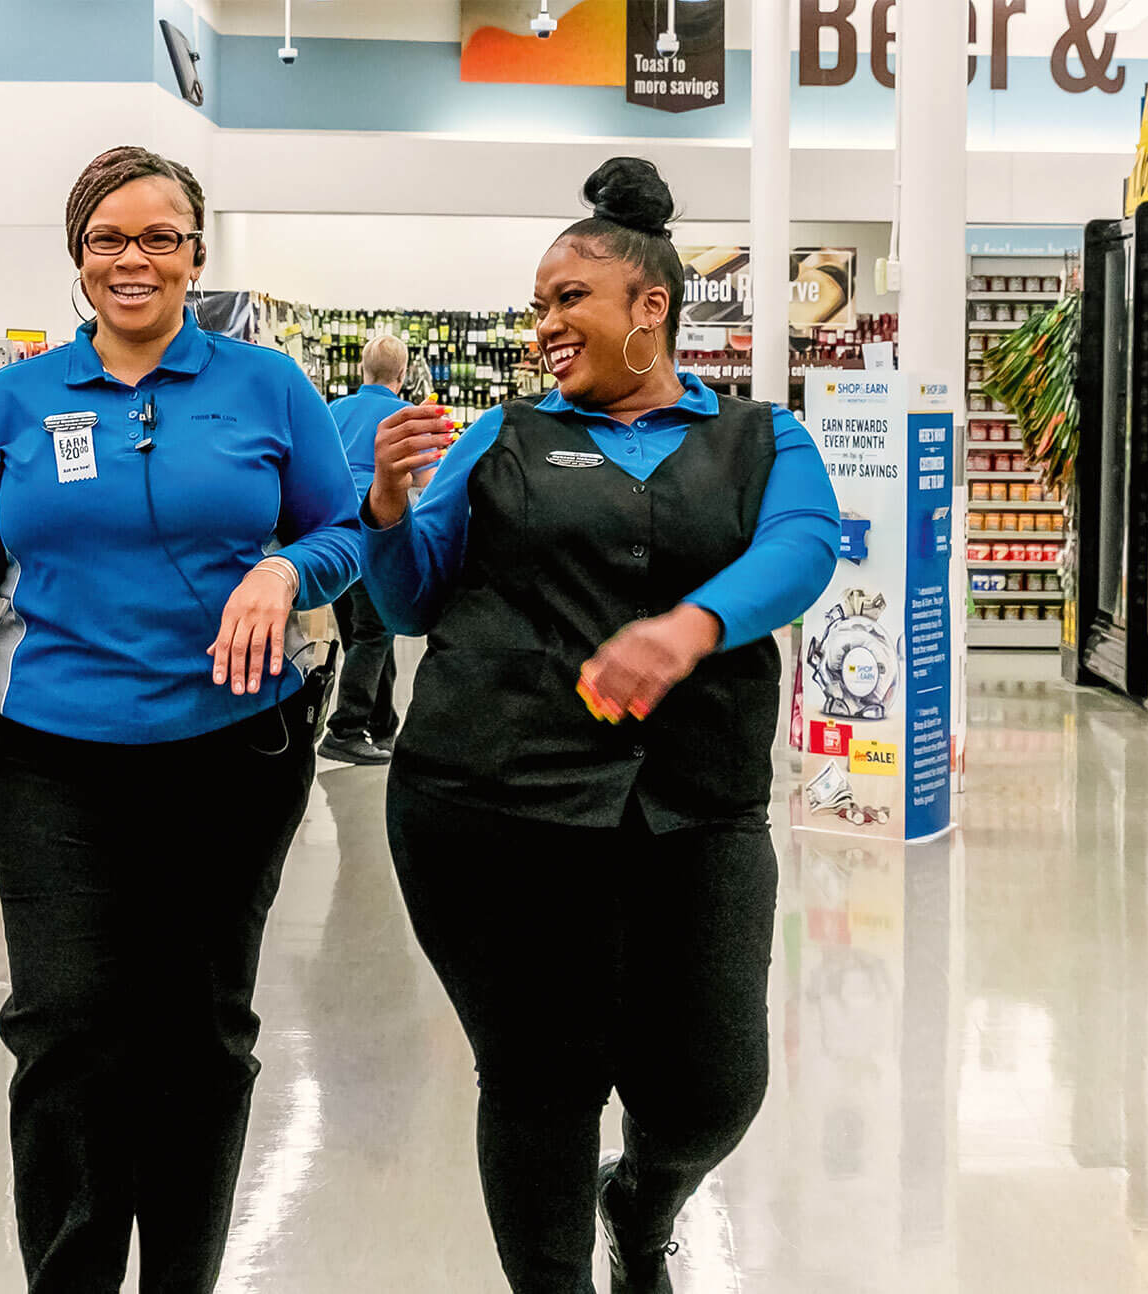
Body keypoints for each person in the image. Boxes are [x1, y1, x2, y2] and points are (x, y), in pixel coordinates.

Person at [0, 145, 363, 1294]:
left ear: (197, 256)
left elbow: (346, 531)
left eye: (159, 238)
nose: (133, 259)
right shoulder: (13, 402)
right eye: (108, 239)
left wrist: (288, 570)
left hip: (235, 755)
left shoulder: (267, 386)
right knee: (69, 1025)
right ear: (76, 259)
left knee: (199, 1033)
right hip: (53, 758)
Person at [361, 157, 842, 1294]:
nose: (543, 326)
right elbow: (410, 596)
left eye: (566, 298)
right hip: (491, 800)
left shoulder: (763, 440)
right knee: (537, 1076)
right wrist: (384, 509)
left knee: (711, 1085)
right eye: (536, 306)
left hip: (695, 806)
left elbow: (803, 546)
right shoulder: (498, 439)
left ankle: (645, 1194)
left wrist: (691, 626)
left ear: (649, 306)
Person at [319, 333, 413, 765]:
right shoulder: (403, 416)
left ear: (362, 369)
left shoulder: (335, 411)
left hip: (332, 537)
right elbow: (428, 483)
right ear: (403, 373)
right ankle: (344, 730)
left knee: (367, 635)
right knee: (375, 634)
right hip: (371, 537)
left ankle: (382, 727)